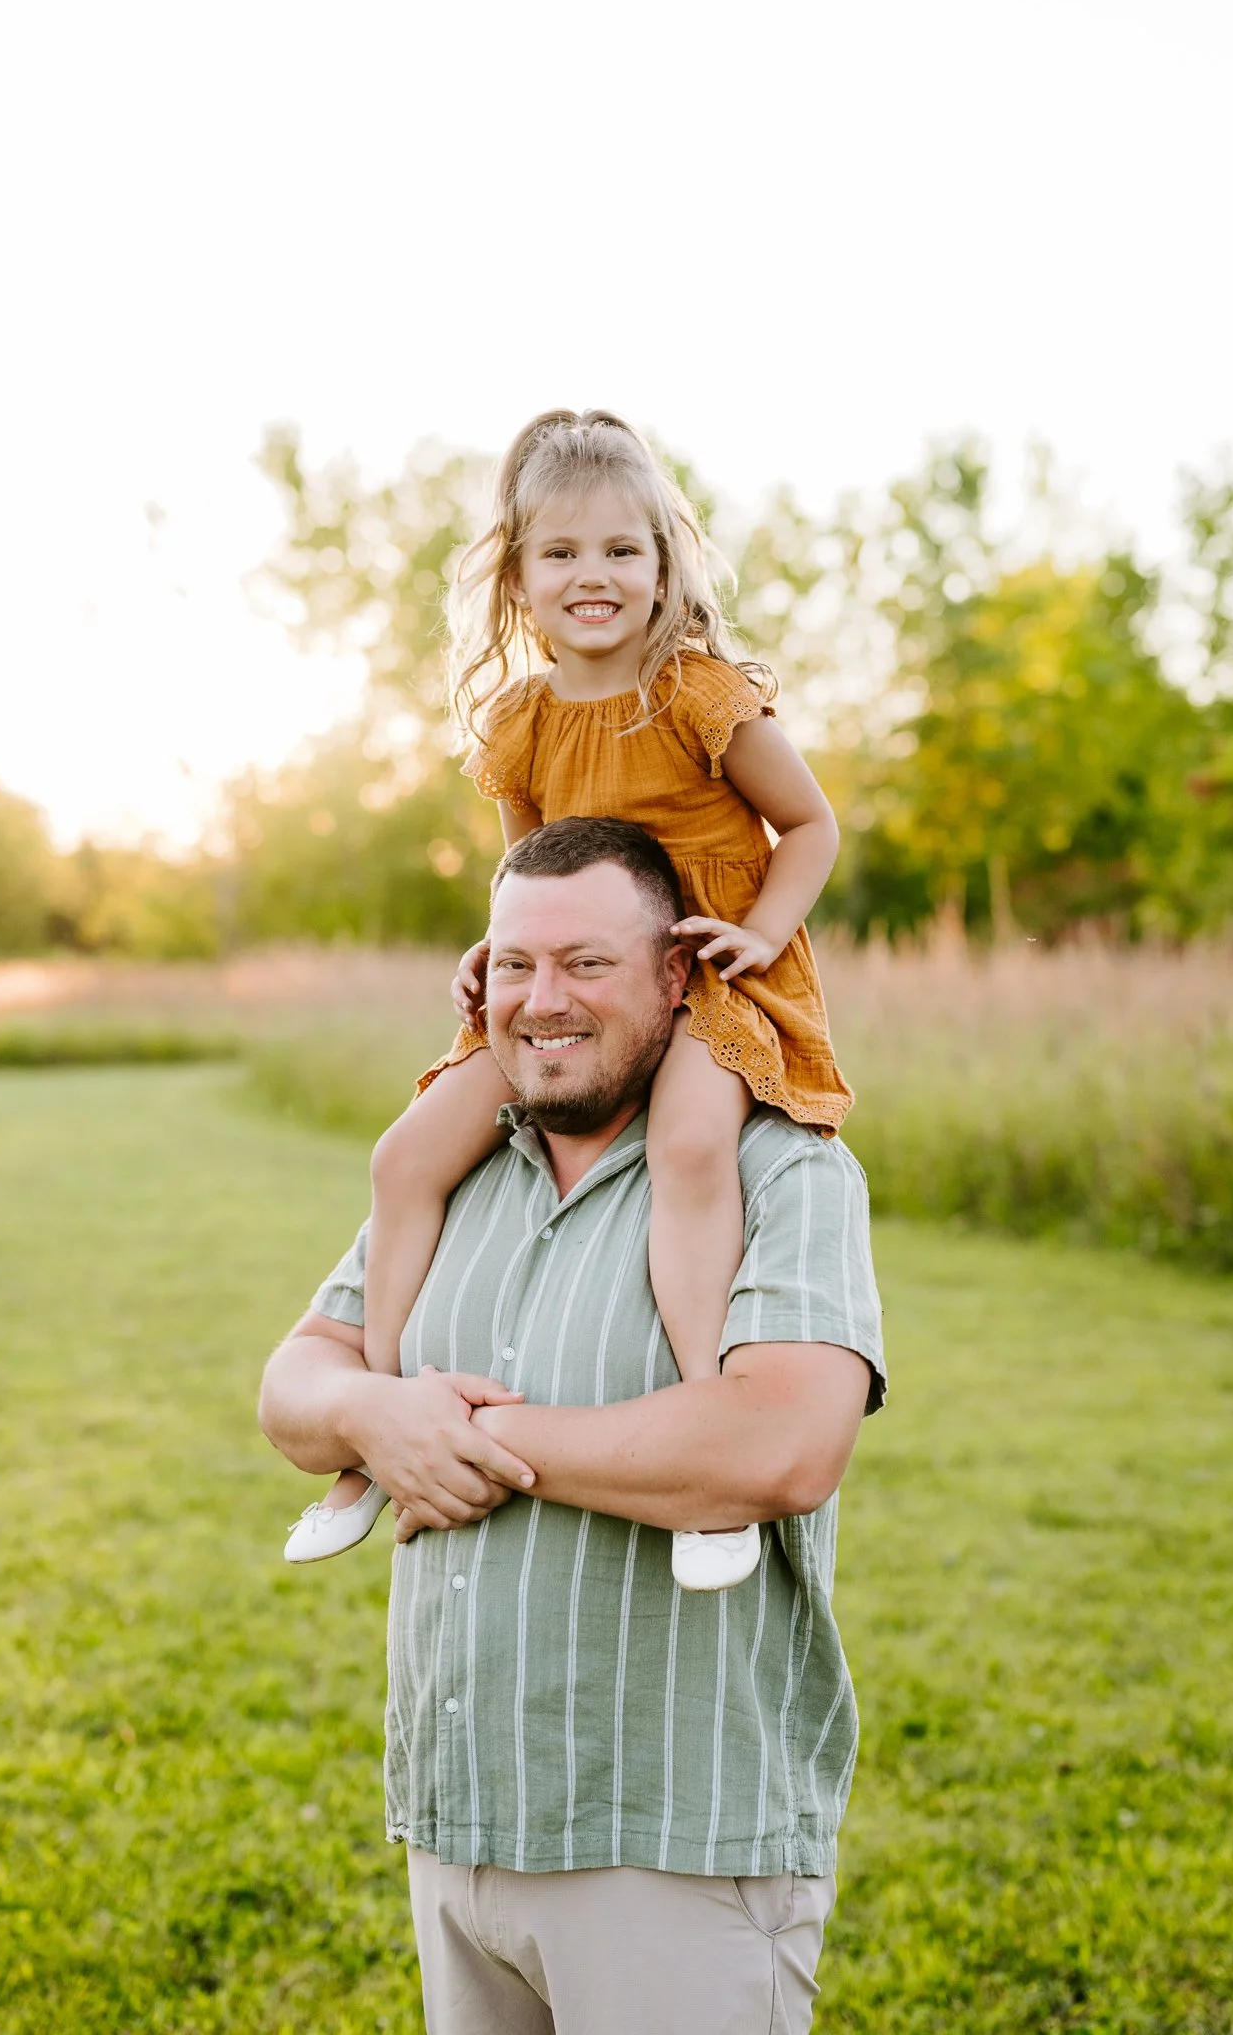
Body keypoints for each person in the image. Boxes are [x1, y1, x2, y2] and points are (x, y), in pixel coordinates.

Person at [259, 817, 885, 2035]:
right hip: (460, 1825)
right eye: (514, 963)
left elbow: (782, 1444)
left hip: (669, 1846)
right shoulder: (458, 1175)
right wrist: (374, 1411)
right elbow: (297, 1382)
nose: (542, 1000)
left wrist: (470, 1442)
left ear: (676, 977)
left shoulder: (784, 1170)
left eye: (588, 963)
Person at [285, 408, 852, 1592]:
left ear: (664, 566)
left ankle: (709, 1454)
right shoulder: (521, 720)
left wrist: (757, 932)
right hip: (565, 992)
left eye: (621, 552)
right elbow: (523, 880)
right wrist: (491, 958)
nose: (592, 576)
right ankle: (383, 1429)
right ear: (518, 579)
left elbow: (811, 824)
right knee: (404, 1155)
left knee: (694, 1142)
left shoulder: (698, 694)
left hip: (706, 977)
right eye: (561, 554)